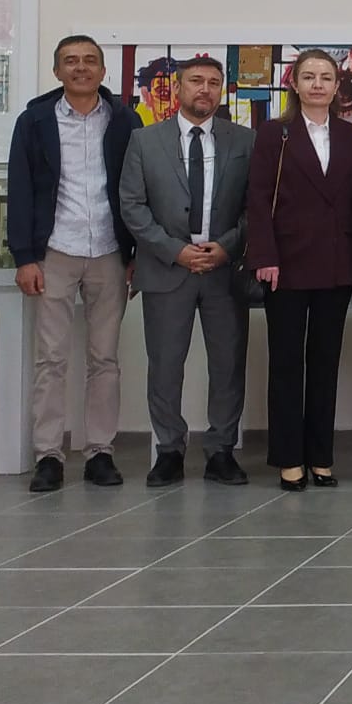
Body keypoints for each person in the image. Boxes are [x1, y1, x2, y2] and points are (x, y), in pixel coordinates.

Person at [6, 33, 139, 492]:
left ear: (103, 70)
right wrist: (25, 257)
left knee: (105, 358)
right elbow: (21, 189)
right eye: (70, 61)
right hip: (55, 252)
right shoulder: (35, 120)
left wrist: (136, 253)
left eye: (89, 60)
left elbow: (137, 189)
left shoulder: (125, 120)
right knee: (51, 358)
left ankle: (100, 451)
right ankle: (48, 455)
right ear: (57, 71)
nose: (80, 68)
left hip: (109, 250)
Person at [117, 55, 252, 487]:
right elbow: (132, 206)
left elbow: (256, 206)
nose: (205, 89)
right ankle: (169, 451)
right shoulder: (145, 140)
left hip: (223, 271)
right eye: (196, 81)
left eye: (213, 82)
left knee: (228, 364)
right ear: (178, 88)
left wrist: (227, 247)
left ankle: (221, 450)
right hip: (166, 268)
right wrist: (175, 251)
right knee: (165, 365)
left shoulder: (245, 140)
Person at [246, 49, 352, 491]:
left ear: (337, 87)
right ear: (294, 84)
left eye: (326, 77)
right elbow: (258, 199)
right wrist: (265, 256)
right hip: (286, 264)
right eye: (309, 77)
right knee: (286, 364)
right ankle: (288, 458)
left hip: (336, 264)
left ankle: (320, 457)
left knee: (325, 363)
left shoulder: (351, 136)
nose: (318, 84)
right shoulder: (273, 133)